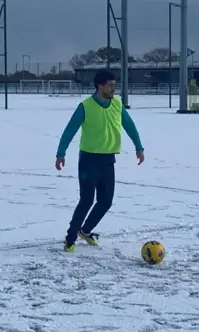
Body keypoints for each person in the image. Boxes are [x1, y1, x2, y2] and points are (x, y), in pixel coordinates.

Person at [55, 70, 144, 253]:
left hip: (108, 160)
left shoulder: (117, 104)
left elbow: (130, 125)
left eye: (114, 84)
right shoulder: (85, 106)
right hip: (89, 160)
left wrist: (139, 147)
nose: (114, 88)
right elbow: (70, 130)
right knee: (86, 200)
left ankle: (85, 231)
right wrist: (60, 153)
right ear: (99, 86)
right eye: (110, 85)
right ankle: (70, 238)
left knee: (105, 201)